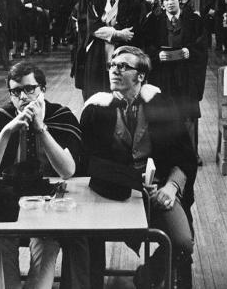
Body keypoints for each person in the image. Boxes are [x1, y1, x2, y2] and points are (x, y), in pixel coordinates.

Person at [81, 46, 197, 289]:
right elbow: (86, 161)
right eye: (112, 65)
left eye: (123, 66)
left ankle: (149, 275)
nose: (115, 70)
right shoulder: (96, 109)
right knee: (84, 237)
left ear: (141, 76)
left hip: (157, 191)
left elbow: (186, 156)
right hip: (109, 193)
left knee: (183, 242)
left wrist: (171, 187)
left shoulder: (162, 105)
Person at [0, 62, 84, 289]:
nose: (23, 97)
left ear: (42, 89)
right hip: (10, 199)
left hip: (51, 203)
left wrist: (40, 128)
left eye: (30, 89)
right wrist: (6, 132)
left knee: (47, 242)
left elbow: (68, 170)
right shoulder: (1, 118)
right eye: (15, 91)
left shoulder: (61, 116)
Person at [144, 0, 206, 166]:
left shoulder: (194, 21)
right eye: (166, 0)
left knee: (188, 115)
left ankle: (191, 155)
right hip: (163, 76)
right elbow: (145, 45)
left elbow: (203, 46)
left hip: (185, 75)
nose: (170, 3)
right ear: (162, 4)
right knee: (164, 114)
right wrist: (156, 55)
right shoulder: (153, 21)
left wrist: (190, 52)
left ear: (180, 1)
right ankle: (164, 155)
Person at [82, 0, 140, 100]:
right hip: (99, 55)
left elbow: (130, 30)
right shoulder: (95, 2)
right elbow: (94, 28)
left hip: (122, 53)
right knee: (99, 93)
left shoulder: (131, 3)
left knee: (121, 94)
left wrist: (107, 31)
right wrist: (118, 33)